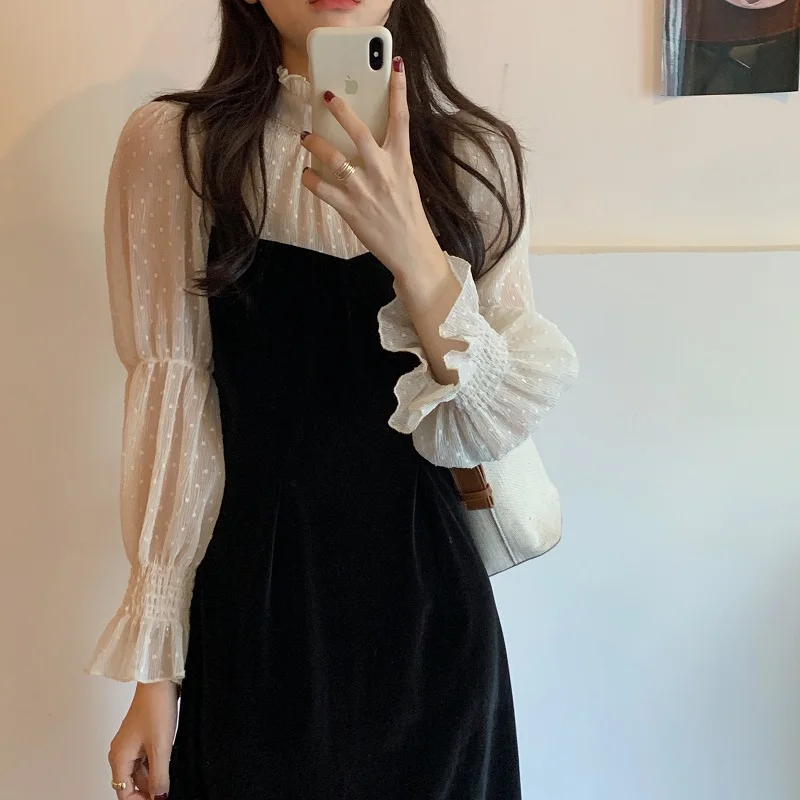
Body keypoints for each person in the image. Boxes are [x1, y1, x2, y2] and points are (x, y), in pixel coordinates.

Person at [87, 1, 579, 798]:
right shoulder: (180, 148)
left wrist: (412, 244)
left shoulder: (473, 157)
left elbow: (492, 418)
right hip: (254, 607)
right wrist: (154, 677)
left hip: (433, 618)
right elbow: (176, 406)